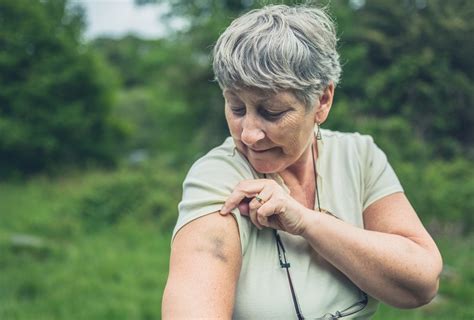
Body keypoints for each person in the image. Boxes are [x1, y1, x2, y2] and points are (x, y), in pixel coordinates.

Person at [162, 4, 442, 319]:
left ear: (322, 101)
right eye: (237, 108)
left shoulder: (359, 156)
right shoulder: (216, 179)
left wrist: (308, 223)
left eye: (272, 112)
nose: (250, 134)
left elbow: (421, 283)